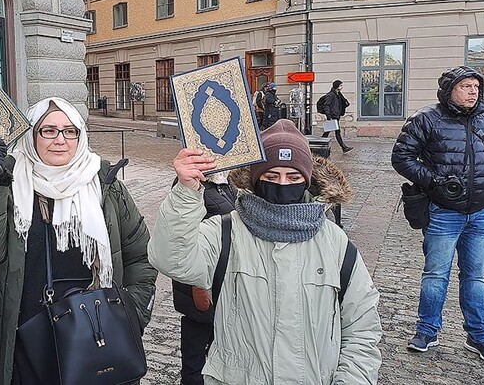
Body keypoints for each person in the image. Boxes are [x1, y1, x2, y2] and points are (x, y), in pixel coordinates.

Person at [150, 119, 382, 384]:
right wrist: (186, 191)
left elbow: (361, 328)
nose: (282, 185)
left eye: (293, 177)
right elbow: (171, 259)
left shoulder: (335, 243)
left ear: (306, 182)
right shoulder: (226, 231)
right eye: (272, 177)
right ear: (257, 178)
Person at [0, 97, 158, 385]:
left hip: (96, 333)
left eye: (70, 131)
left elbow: (141, 256)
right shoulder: (9, 183)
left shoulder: (105, 185)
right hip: (24, 337)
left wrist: (131, 314)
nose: (60, 140)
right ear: (32, 135)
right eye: (49, 130)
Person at [391, 66, 484, 364]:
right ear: (449, 90)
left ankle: (479, 336)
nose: (473, 91)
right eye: (466, 86)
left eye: (476, 86)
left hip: (481, 214)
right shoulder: (427, 119)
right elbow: (402, 157)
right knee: (435, 275)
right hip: (443, 214)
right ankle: (427, 330)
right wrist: (433, 180)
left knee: (476, 277)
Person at [171, 172, 236, 385]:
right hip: (199, 285)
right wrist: (198, 286)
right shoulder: (193, 184)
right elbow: (182, 235)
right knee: (195, 356)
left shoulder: (226, 183)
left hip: (223, 282)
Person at [322, 80, 354, 153]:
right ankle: (343, 147)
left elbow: (343, 103)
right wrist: (329, 116)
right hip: (332, 116)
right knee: (337, 132)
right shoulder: (330, 95)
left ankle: (321, 144)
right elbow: (326, 106)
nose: (342, 87)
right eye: (341, 85)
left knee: (327, 132)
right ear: (337, 86)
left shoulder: (338, 94)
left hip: (336, 116)